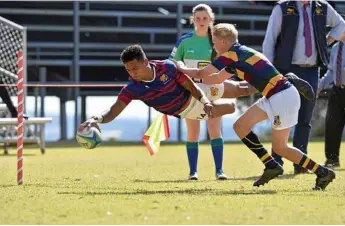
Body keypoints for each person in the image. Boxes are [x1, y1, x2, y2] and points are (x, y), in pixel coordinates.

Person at [174, 23, 335, 190]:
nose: (213, 46)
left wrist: (180, 69)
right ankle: (271, 165)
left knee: (281, 147)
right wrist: (189, 80)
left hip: (282, 97)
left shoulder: (231, 54)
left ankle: (322, 172)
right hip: (274, 95)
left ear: (223, 41)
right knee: (240, 126)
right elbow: (214, 79)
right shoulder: (237, 54)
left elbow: (202, 73)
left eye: (214, 42)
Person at [79, 44, 255, 151]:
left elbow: (190, 85)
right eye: (129, 70)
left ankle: (274, 81)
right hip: (187, 110)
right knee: (231, 107)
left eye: (135, 68)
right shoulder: (133, 88)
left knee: (242, 89)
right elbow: (114, 110)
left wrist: (205, 100)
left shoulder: (167, 67)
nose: (133, 73)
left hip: (197, 92)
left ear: (145, 61)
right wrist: (97, 119)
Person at [262, 0, 345, 174]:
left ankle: (301, 164)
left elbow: (340, 24)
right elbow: (270, 39)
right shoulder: (282, 8)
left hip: (312, 70)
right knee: (281, 116)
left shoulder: (322, 7)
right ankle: (275, 163)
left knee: (305, 119)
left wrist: (326, 41)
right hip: (285, 69)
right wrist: (268, 71)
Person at [169, 4, 228, 180]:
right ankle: (193, 172)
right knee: (193, 132)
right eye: (198, 18)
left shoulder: (217, 41)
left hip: (214, 91)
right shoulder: (184, 41)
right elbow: (173, 62)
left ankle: (219, 171)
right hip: (191, 92)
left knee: (215, 130)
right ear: (193, 20)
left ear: (211, 20)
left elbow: (228, 63)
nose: (201, 21)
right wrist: (180, 66)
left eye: (205, 18)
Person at [318, 39, 345, 168]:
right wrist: (320, 86)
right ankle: (332, 159)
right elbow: (332, 71)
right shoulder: (336, 47)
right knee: (332, 125)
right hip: (337, 90)